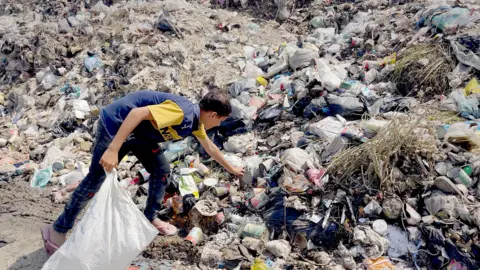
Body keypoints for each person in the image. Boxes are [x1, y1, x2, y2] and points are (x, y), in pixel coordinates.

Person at [41, 90, 244, 255]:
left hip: (138, 134)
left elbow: (210, 148)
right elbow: (136, 114)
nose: (218, 125)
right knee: (95, 179)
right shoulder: (182, 113)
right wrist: (112, 149)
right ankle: (57, 229)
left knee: (161, 170)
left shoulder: (196, 123)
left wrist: (232, 169)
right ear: (212, 114)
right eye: (220, 121)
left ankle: (150, 216)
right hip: (117, 125)